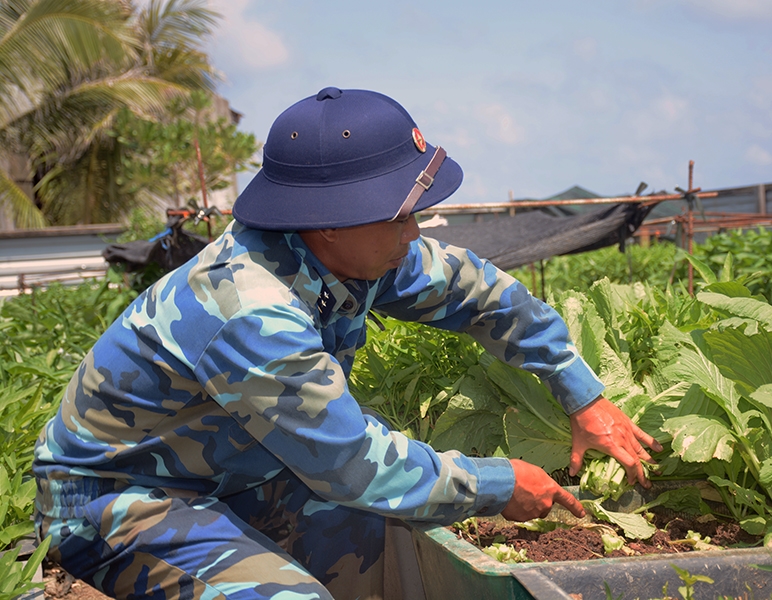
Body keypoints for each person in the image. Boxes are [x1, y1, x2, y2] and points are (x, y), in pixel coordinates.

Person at [33, 86, 661, 600]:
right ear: (330, 220)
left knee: (392, 528)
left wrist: (584, 398)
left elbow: (484, 293)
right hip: (124, 499)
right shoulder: (248, 309)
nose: (414, 232)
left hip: (236, 472)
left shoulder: (358, 253)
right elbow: (352, 464)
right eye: (402, 214)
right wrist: (500, 484)